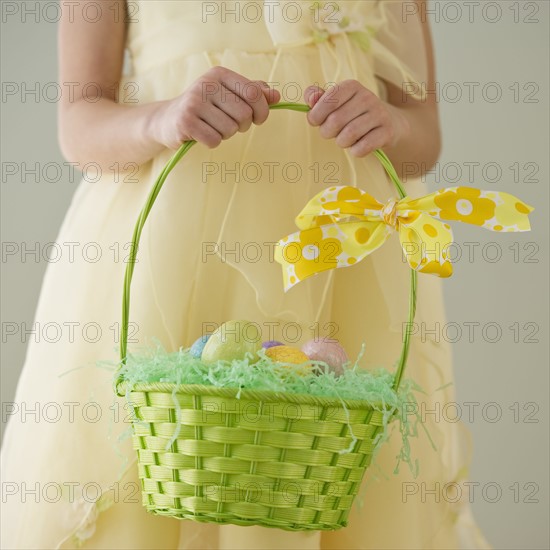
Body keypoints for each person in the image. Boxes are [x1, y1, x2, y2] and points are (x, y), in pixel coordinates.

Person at [1, 1, 492, 548]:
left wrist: (394, 122)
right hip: (178, 242)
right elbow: (80, 124)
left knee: (335, 469)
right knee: (161, 460)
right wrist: (159, 118)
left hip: (344, 246)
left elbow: (422, 138)